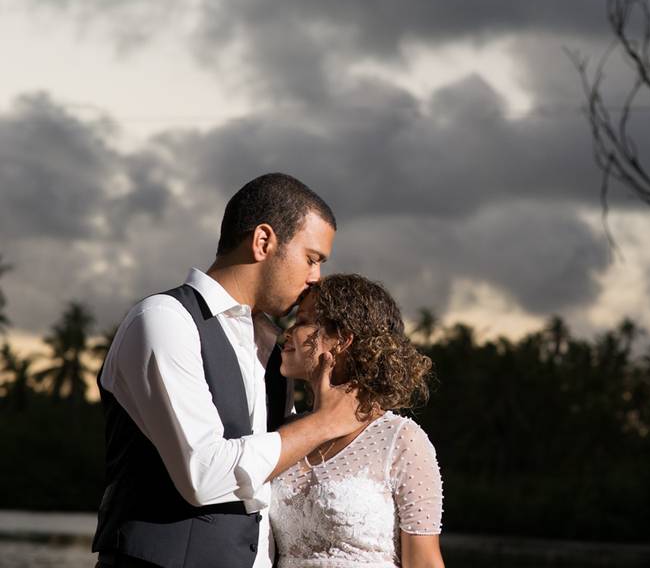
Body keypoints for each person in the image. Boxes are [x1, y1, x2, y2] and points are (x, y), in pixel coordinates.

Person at [93, 173, 365, 568]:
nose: (315, 278)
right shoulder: (164, 321)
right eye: (311, 259)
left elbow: (277, 471)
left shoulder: (272, 347)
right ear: (263, 242)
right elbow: (202, 474)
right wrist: (324, 423)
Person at [270, 274, 444, 568]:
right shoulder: (283, 431)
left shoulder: (400, 441)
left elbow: (424, 562)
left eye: (302, 322)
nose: (287, 333)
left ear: (342, 340)